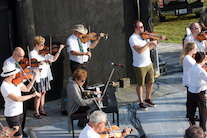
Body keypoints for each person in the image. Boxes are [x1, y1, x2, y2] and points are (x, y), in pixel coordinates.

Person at [129, 20, 166, 110]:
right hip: (139, 65)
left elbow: (148, 49)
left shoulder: (145, 37)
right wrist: (148, 43)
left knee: (151, 81)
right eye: (140, 27)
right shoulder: (133, 38)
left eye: (143, 26)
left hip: (148, 63)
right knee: (140, 83)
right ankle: (141, 101)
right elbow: (140, 50)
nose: (143, 28)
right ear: (136, 29)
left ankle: (147, 98)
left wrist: (159, 40)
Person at [0, 63, 41, 138]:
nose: (17, 73)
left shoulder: (15, 81)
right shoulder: (4, 86)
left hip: (19, 112)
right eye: (15, 72)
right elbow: (17, 99)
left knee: (16, 135)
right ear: (10, 74)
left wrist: (35, 76)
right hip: (12, 114)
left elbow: (27, 89)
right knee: (19, 136)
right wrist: (32, 95)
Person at [30, 36, 64, 119]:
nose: (43, 46)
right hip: (38, 76)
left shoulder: (44, 52)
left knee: (43, 93)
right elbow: (33, 63)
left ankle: (42, 110)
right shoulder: (32, 53)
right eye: (41, 45)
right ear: (36, 45)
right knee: (38, 95)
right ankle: (36, 112)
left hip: (45, 75)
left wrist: (59, 50)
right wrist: (42, 62)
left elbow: (54, 59)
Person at [66, 24, 105, 88]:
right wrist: (84, 53)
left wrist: (98, 39)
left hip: (84, 63)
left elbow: (91, 46)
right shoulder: (70, 39)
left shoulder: (85, 38)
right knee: (77, 80)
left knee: (85, 80)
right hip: (76, 63)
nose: (83, 34)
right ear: (76, 32)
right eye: (81, 33)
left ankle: (85, 94)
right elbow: (72, 52)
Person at [66, 68, 101, 133]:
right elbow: (81, 102)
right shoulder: (72, 86)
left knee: (94, 104)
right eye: (82, 81)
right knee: (95, 106)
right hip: (75, 108)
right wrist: (93, 99)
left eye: (85, 80)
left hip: (77, 105)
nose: (84, 82)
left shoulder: (76, 84)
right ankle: (90, 125)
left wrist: (92, 92)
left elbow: (83, 91)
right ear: (76, 79)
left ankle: (82, 122)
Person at [188, 52, 207, 132]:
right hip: (199, 93)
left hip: (190, 92)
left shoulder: (192, 67)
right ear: (202, 60)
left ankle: (192, 125)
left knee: (191, 110)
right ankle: (202, 130)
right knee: (202, 111)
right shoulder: (201, 71)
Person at [180, 42, 197, 119]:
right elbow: (195, 66)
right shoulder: (187, 58)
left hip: (191, 81)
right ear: (192, 50)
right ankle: (190, 115)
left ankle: (190, 114)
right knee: (190, 100)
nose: (196, 50)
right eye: (195, 49)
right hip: (189, 81)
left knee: (190, 99)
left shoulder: (190, 57)